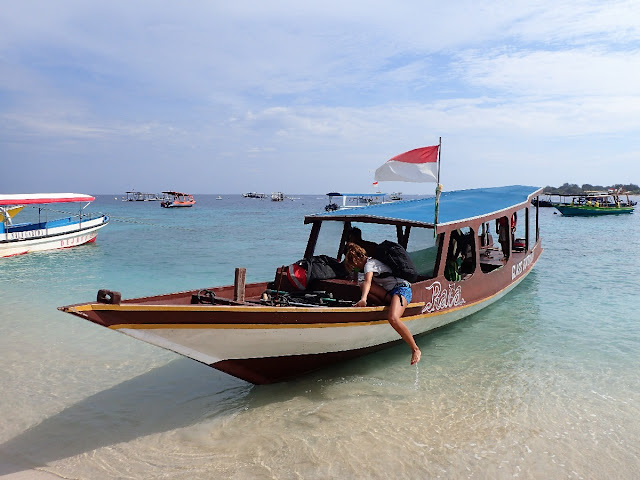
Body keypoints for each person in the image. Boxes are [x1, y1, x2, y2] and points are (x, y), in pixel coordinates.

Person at [343, 242, 421, 365]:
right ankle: (384, 307)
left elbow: (368, 282)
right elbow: (366, 284)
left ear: (357, 259)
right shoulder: (372, 263)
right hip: (390, 293)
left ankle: (415, 349)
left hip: (401, 290)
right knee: (362, 285)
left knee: (393, 318)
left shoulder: (369, 264)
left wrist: (363, 299)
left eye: (354, 265)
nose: (355, 268)